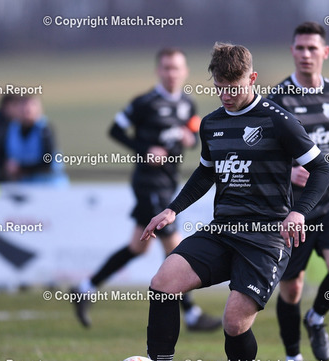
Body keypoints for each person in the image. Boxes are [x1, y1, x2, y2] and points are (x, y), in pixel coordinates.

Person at [100, 42, 329, 361]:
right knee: (163, 283)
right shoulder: (212, 123)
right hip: (222, 230)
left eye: (233, 87)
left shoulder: (279, 121)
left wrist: (300, 212)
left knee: (234, 323)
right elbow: (205, 172)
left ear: (252, 79)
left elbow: (321, 169)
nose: (226, 94)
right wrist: (172, 209)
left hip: (266, 238)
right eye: (219, 87)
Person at [72, 47, 221, 332]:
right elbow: (115, 130)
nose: (171, 73)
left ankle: (85, 287)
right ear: (158, 71)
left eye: (176, 68)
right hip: (149, 183)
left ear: (185, 72)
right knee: (175, 248)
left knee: (137, 248)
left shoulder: (188, 104)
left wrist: (190, 139)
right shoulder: (144, 103)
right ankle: (191, 314)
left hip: (169, 181)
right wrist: (145, 150)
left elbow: (192, 134)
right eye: (166, 67)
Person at [268, 22, 329, 361]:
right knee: (292, 287)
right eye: (300, 48)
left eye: (312, 48)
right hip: (294, 209)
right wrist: (287, 171)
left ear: (325, 52)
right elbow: (266, 150)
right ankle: (293, 360)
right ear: (292, 51)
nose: (306, 54)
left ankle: (317, 317)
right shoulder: (278, 100)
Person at [4, 95, 67, 185]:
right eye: (23, 105)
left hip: (48, 184)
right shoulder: (13, 129)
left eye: (31, 105)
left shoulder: (44, 129)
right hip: (24, 184)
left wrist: (21, 169)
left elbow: (47, 163)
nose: (26, 109)